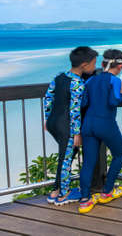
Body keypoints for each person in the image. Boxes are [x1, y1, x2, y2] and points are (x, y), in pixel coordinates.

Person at [44, 46, 98, 205]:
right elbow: (75, 110)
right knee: (66, 160)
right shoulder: (78, 83)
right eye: (94, 64)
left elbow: (48, 98)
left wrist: (47, 119)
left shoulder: (59, 77)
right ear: (84, 65)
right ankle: (63, 195)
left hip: (53, 123)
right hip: (66, 127)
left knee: (65, 155)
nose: (95, 67)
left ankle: (55, 191)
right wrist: (76, 133)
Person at [78, 49, 122, 213]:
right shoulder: (116, 80)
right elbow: (114, 102)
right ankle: (107, 192)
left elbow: (84, 102)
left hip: (88, 124)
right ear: (120, 66)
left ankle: (85, 200)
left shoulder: (91, 80)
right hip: (105, 123)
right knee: (120, 154)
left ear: (102, 64)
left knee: (88, 162)